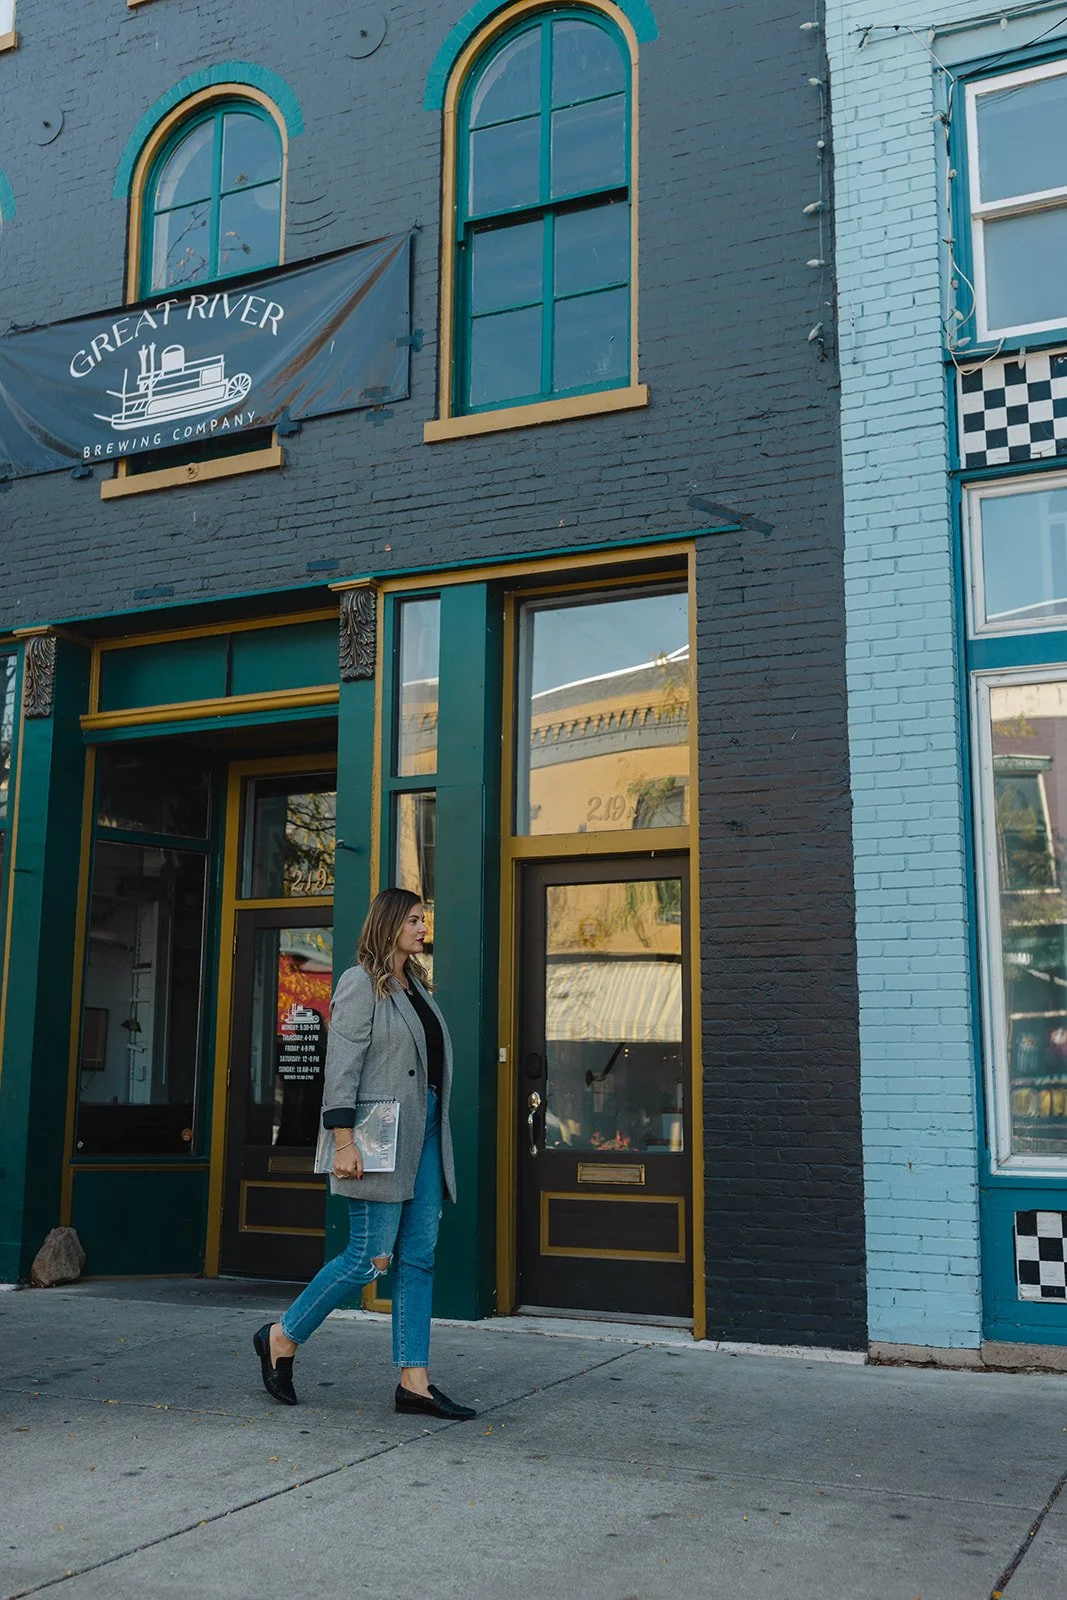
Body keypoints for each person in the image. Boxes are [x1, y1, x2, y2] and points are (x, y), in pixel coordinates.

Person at [253, 888, 475, 1420]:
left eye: (425, 918)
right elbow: (341, 1066)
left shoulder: (416, 985)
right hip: (377, 1138)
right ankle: (282, 1336)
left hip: (423, 1134)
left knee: (418, 1259)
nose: (424, 927)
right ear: (390, 923)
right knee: (369, 1259)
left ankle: (414, 1383)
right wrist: (343, 1140)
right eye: (416, 919)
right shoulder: (359, 982)